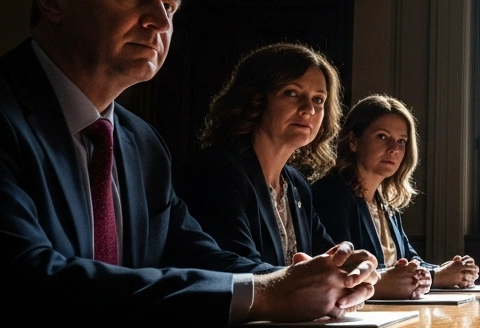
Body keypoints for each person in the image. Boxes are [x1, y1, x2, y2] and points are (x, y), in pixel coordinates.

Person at [0, 0, 377, 328]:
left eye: (169, 6)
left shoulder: (141, 142)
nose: (159, 23)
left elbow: (194, 254)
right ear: (53, 0)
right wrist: (266, 294)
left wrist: (315, 279)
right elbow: (22, 281)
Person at [183, 48, 429, 300]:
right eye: (291, 93)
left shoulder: (297, 184)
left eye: (318, 100)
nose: (308, 109)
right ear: (254, 99)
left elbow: (327, 260)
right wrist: (361, 282)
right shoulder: (216, 169)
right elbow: (233, 271)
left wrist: (356, 270)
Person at [312, 94, 479, 291]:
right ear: (353, 141)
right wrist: (436, 277)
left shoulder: (386, 201)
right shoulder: (331, 193)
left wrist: (453, 270)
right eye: (382, 137)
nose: (394, 149)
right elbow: (345, 271)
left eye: (401, 141)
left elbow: (409, 259)